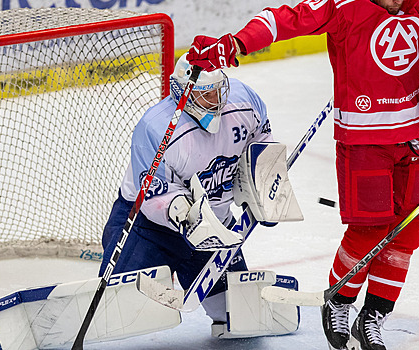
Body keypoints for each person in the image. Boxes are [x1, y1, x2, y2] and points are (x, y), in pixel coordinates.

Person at [184, 0, 419, 348]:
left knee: (408, 230)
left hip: (418, 132)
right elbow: (283, 20)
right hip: (364, 137)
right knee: (368, 230)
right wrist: (236, 43)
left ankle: (374, 314)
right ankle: (339, 300)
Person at [99, 53, 284, 338]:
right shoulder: (156, 127)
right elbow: (152, 193)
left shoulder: (245, 100)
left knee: (240, 318)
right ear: (183, 93)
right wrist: (183, 212)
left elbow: (260, 142)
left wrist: (266, 180)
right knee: (115, 314)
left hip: (215, 230)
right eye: (206, 94)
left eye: (218, 89)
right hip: (148, 228)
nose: (216, 99)